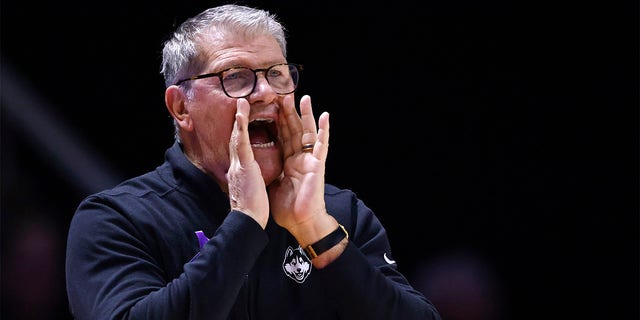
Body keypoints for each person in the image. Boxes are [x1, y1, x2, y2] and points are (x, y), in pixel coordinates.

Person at [65, 4, 442, 319]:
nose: (266, 92)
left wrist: (314, 228)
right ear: (181, 107)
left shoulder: (340, 212)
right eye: (238, 77)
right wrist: (244, 224)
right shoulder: (117, 219)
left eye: (277, 74)